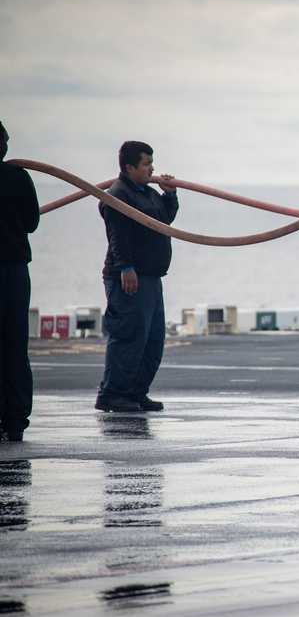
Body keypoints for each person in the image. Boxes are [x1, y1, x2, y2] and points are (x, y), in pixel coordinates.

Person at [95, 141, 178, 413]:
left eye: (151, 162)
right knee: (129, 337)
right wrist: (125, 268)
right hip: (130, 278)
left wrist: (169, 195)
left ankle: (135, 392)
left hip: (152, 278)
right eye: (146, 163)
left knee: (153, 340)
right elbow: (118, 237)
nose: (152, 168)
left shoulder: (149, 193)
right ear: (130, 168)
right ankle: (112, 394)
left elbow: (164, 220)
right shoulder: (116, 195)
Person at [0, 121, 40, 442]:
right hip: (14, 270)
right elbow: (31, 222)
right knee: (15, 346)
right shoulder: (18, 177)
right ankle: (15, 421)